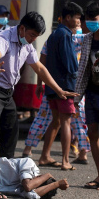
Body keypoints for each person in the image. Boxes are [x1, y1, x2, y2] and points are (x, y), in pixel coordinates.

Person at [0, 11, 79, 199]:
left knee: (11, 133)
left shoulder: (27, 45)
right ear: (22, 29)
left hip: (7, 93)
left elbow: (39, 68)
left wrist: (59, 90)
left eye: (36, 37)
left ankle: (5, 179)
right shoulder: (3, 37)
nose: (32, 40)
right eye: (31, 35)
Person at [23, 24, 90, 164]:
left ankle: (32, 150)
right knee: (75, 121)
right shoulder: (74, 37)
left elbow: (42, 61)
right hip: (70, 87)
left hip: (52, 86)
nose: (78, 24)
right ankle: (71, 158)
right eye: (77, 20)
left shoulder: (52, 38)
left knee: (49, 120)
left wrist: (40, 84)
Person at [38, 2, 83, 171]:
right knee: (65, 121)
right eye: (77, 17)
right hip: (65, 87)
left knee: (56, 121)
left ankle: (45, 156)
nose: (79, 21)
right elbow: (71, 64)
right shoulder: (65, 35)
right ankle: (65, 160)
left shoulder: (53, 35)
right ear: (68, 17)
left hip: (52, 86)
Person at [75, 1, 99, 189]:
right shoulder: (88, 39)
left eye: (95, 19)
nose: (91, 23)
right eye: (89, 20)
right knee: (92, 133)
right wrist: (76, 98)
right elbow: (83, 69)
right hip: (92, 92)